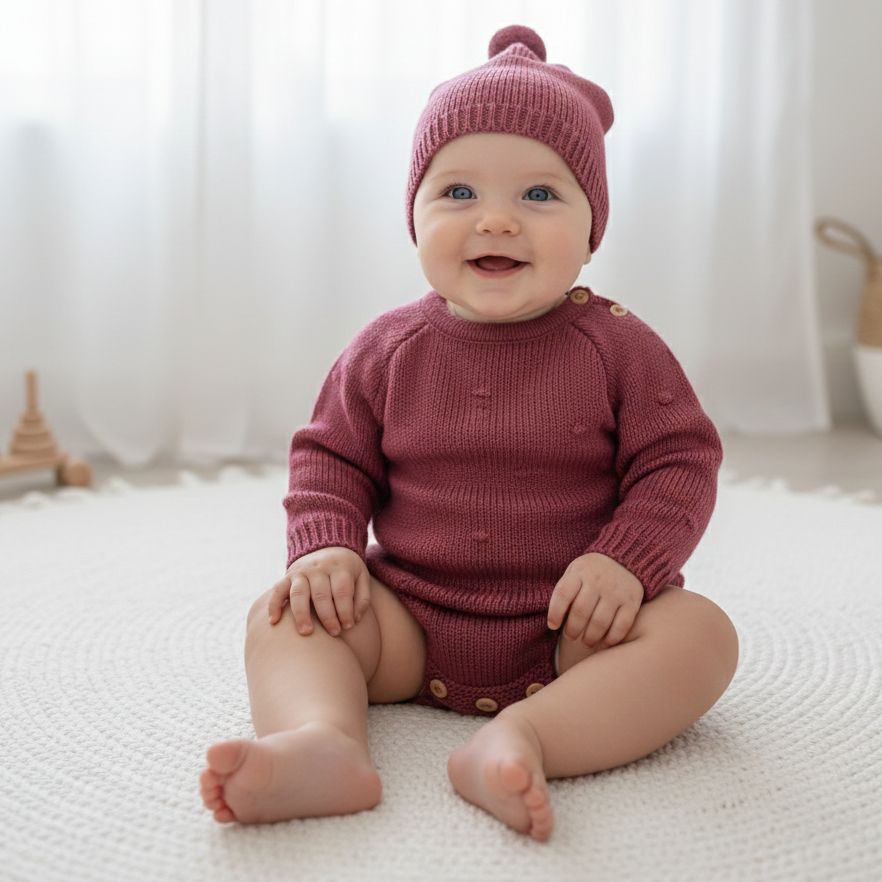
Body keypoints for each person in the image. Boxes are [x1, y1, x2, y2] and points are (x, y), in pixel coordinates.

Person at [200, 24, 738, 841]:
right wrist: (326, 547)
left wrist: (626, 560)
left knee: (701, 638)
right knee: (286, 614)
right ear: (413, 217)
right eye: (457, 194)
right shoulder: (386, 348)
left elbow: (680, 461)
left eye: (538, 195)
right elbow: (329, 457)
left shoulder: (620, 347)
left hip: (575, 632)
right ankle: (322, 741)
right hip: (406, 624)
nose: (494, 221)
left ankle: (527, 738)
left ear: (593, 227)